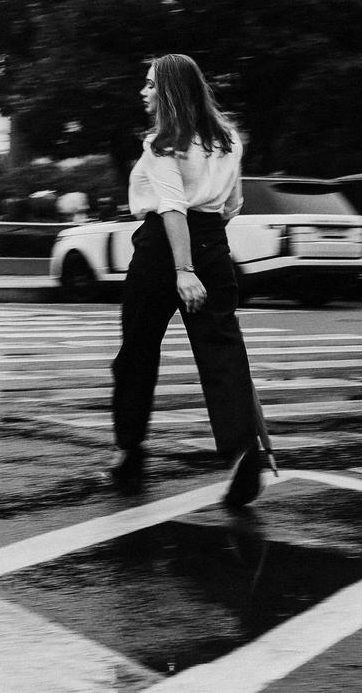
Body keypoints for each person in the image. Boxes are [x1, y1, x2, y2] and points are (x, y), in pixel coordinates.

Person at [108, 53, 272, 509]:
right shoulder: (229, 140)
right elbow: (233, 204)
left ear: (169, 91)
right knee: (222, 352)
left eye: (150, 85)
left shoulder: (163, 144)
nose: (143, 92)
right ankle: (243, 452)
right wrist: (205, 249)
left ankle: (129, 450)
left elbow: (172, 208)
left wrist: (183, 270)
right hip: (213, 242)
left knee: (137, 350)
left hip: (163, 249)